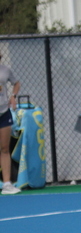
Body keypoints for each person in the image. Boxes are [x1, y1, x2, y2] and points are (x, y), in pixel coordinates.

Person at [0, 53, 21, 195]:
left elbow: (16, 83)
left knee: (4, 148)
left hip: (3, 113)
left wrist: (13, 96)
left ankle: (7, 184)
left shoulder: (5, 70)